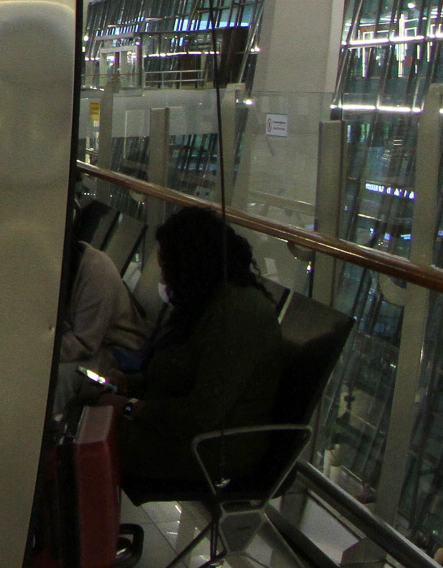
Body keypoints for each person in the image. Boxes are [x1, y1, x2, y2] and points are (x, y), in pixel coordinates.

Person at [116, 206, 282, 489]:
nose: (163, 279)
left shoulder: (235, 317)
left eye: (166, 268)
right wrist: (131, 386)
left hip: (214, 449)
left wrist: (132, 408)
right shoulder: (208, 300)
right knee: (90, 420)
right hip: (192, 436)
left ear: (189, 265)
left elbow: (200, 414)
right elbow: (180, 378)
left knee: (89, 439)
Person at [61, 202, 147, 375]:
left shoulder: (96, 271)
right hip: (90, 341)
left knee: (59, 376)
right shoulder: (66, 265)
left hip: (116, 352)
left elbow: (83, 343)